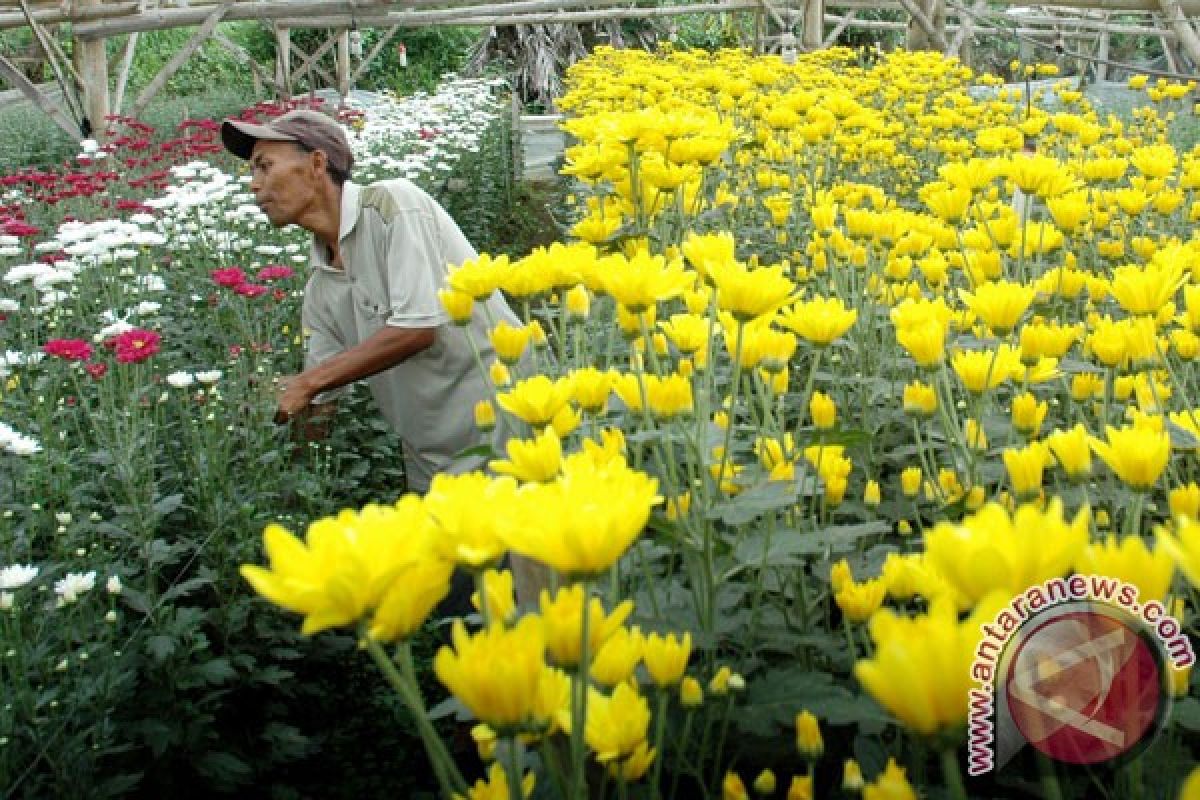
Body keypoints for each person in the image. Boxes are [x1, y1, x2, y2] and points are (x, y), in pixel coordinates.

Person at [220, 109, 545, 610]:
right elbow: (322, 404)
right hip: (433, 467)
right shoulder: (319, 289)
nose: (253, 185)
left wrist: (307, 384)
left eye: (264, 165)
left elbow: (418, 328)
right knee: (463, 609)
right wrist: (268, 422)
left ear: (316, 164)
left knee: (535, 603)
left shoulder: (393, 206)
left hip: (510, 438)